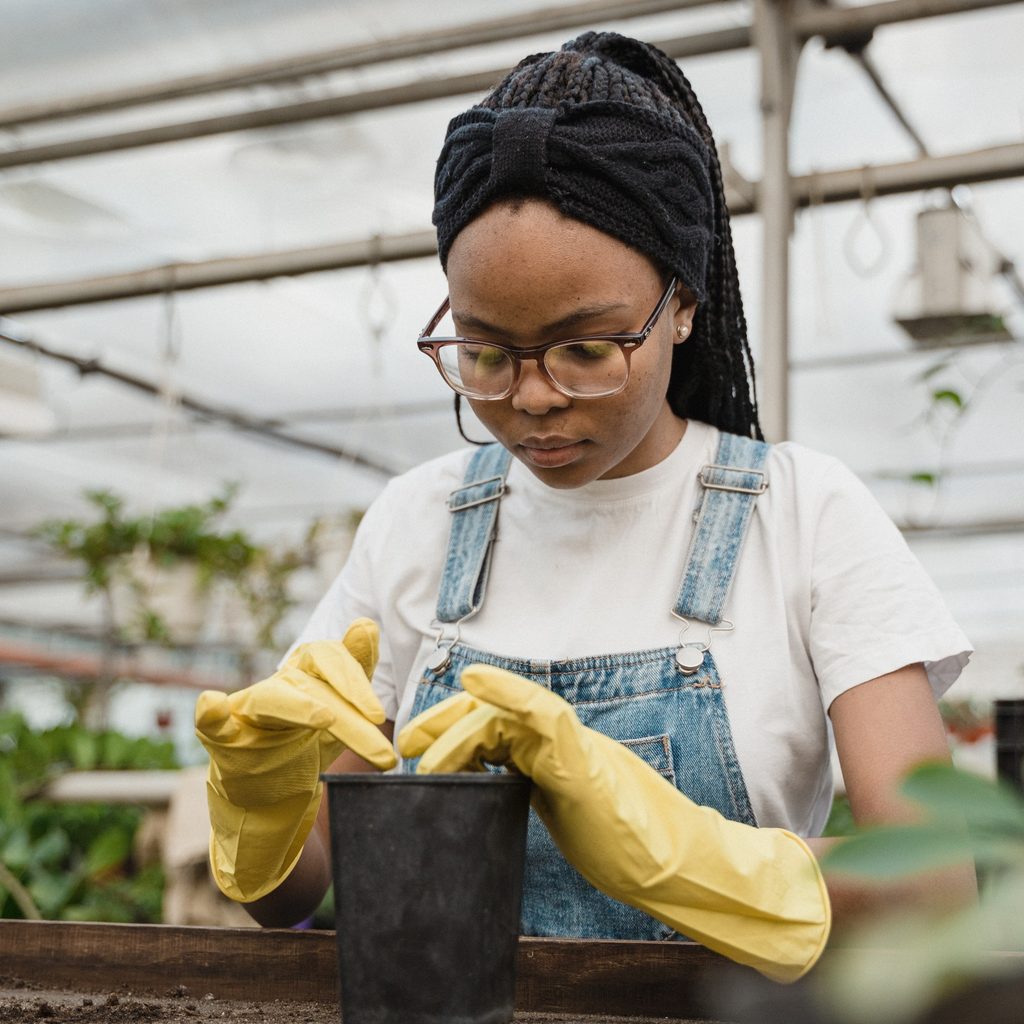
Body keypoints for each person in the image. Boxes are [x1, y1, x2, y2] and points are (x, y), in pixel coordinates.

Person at [195, 31, 973, 982]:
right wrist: (263, 801)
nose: (530, 397)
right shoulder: (420, 522)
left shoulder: (803, 515)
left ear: (682, 303)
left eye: (587, 349)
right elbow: (296, 897)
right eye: (485, 353)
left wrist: (673, 848)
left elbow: (935, 885)